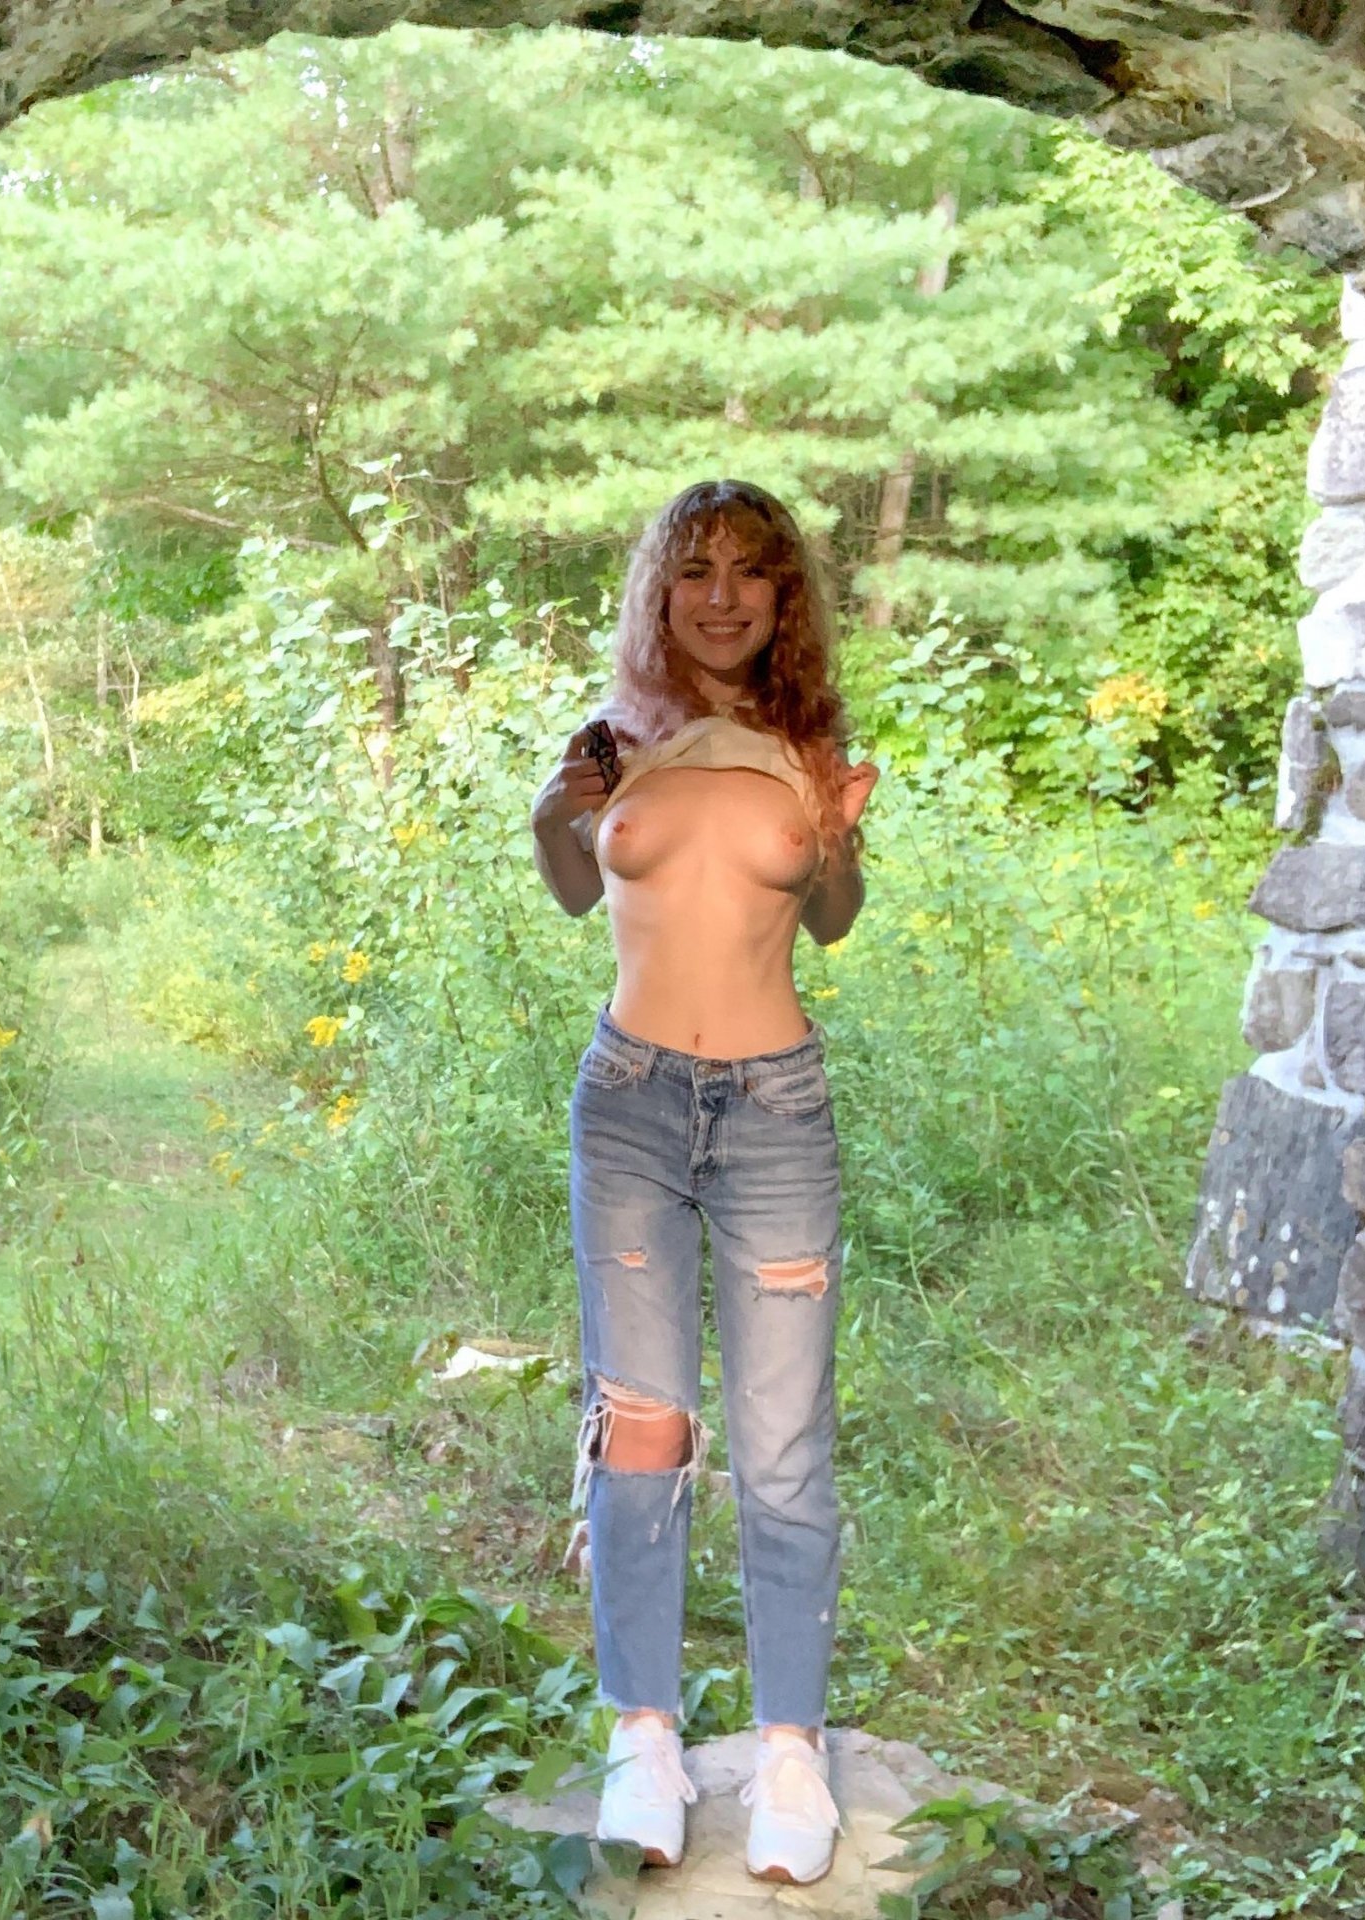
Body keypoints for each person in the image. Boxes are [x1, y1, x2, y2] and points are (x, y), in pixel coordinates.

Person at [529, 478, 879, 1887]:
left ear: (784, 597)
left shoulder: (809, 742)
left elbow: (835, 921)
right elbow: (575, 889)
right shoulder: (613, 739)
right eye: (695, 571)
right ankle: (646, 1737)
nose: (722, 596)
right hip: (628, 1106)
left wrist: (838, 840)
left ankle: (791, 1749)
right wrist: (554, 815)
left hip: (775, 1114)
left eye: (750, 572)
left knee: (783, 1444)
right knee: (642, 1430)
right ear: (659, 594)